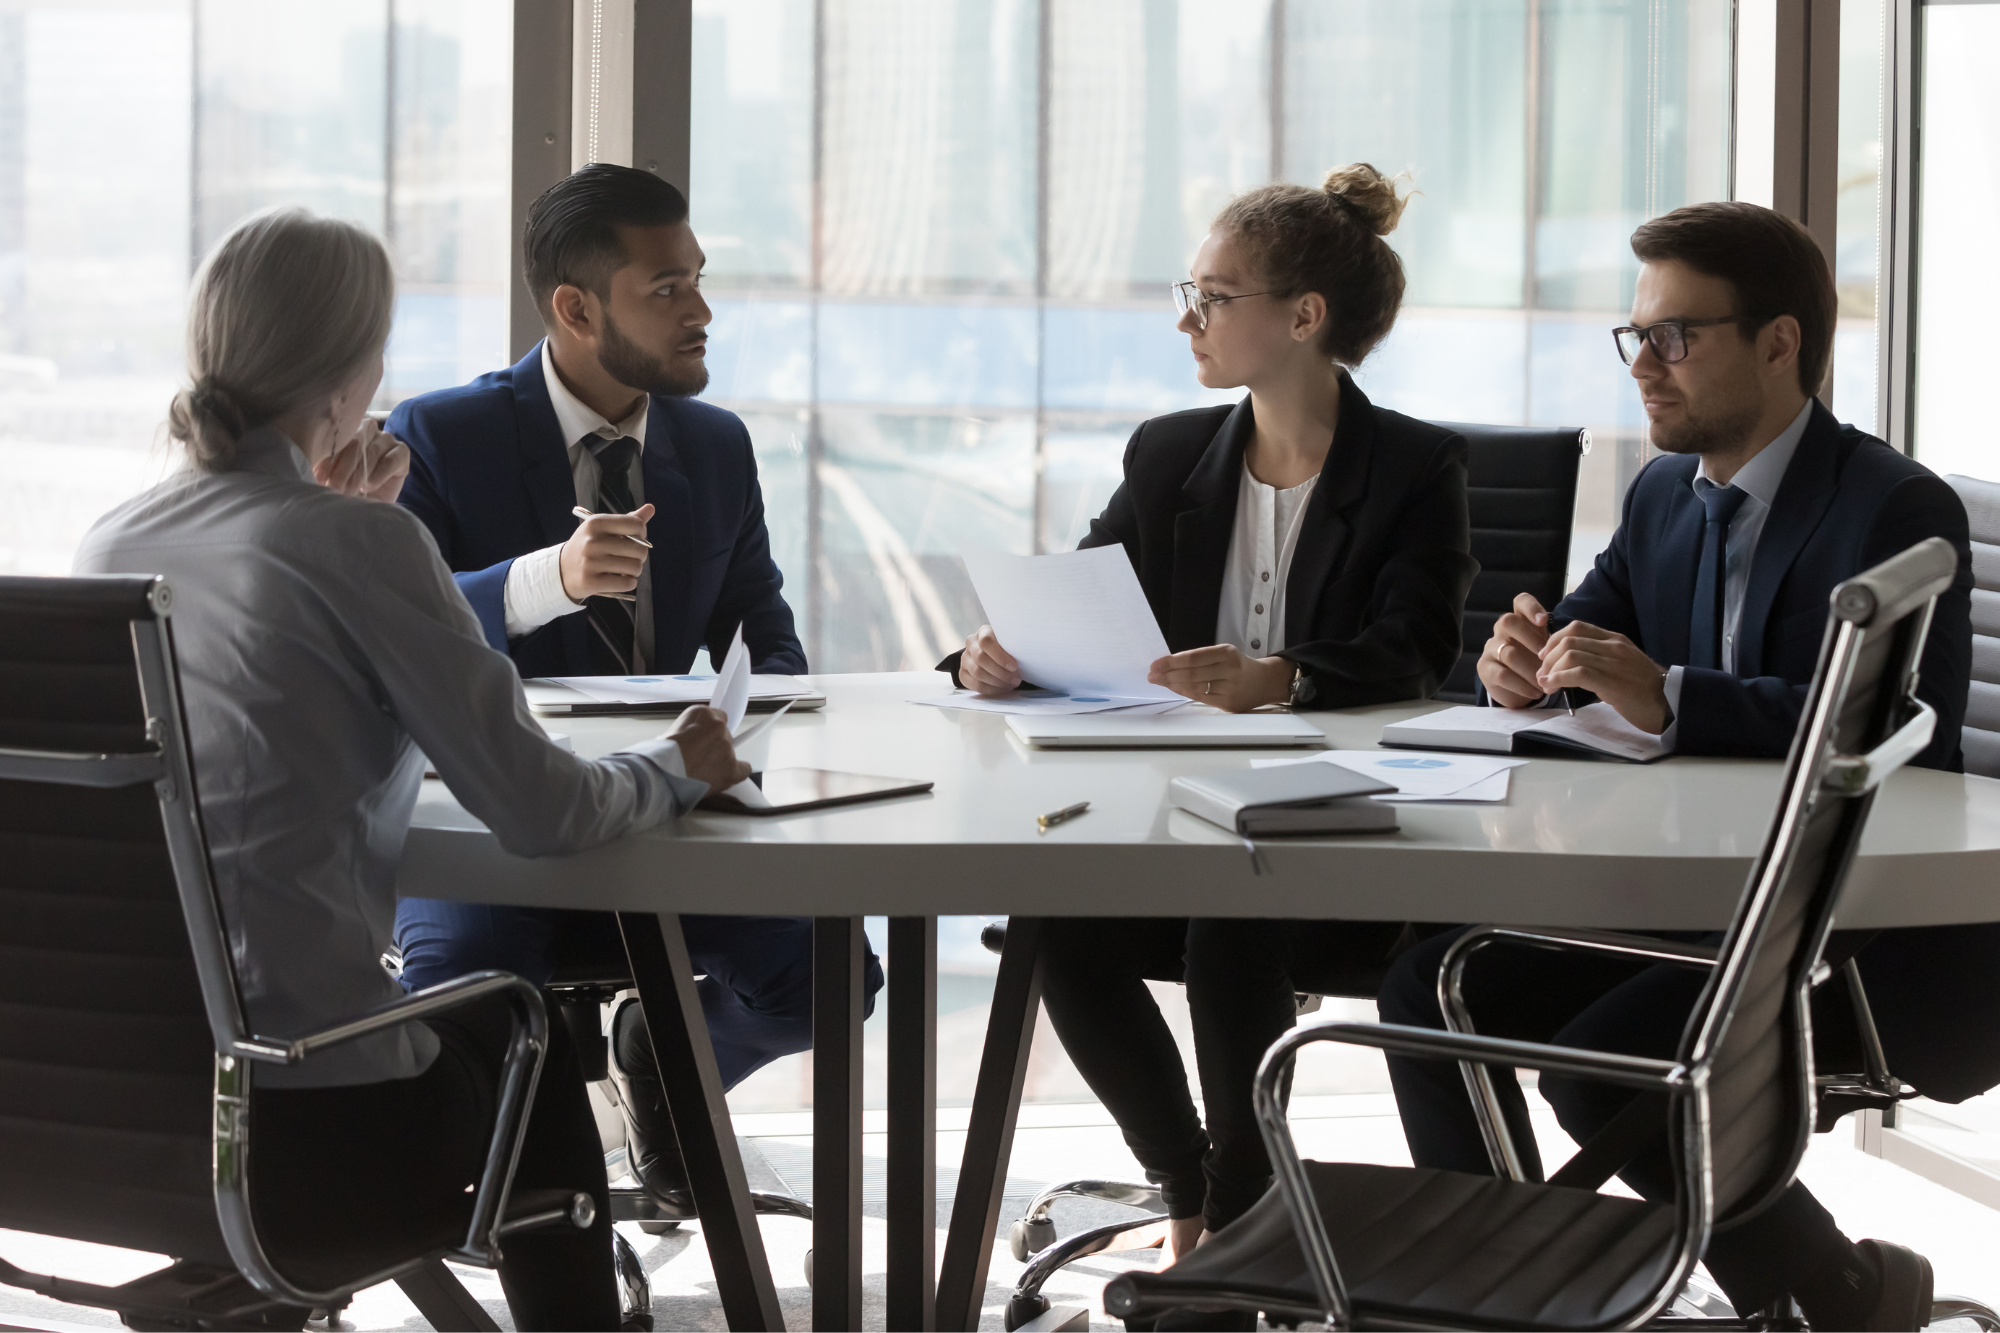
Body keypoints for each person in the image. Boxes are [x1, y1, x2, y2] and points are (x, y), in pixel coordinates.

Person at [73, 208, 748, 1330]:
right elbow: (541, 809)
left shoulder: (113, 542)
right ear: (353, 371)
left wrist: (347, 529)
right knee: (517, 1032)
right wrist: (675, 764)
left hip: (127, 1106)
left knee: (469, 1018)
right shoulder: (356, 544)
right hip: (308, 1115)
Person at [1378, 200, 1988, 1331]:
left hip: (1839, 927)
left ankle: (1809, 1288)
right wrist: (1522, 664)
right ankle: (1492, 1290)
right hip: (1685, 898)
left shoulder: (1893, 506)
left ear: (1776, 342)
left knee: (1600, 1060)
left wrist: (1667, 694)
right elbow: (1579, 636)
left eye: (1674, 337)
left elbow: (1900, 732)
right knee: (1426, 988)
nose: (1642, 368)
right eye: (1635, 338)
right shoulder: (1664, 489)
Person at [948, 165, 1476, 1269]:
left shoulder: (1415, 466)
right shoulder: (1169, 452)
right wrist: (991, 654)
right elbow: (1086, 598)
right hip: (1176, 809)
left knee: (1230, 923)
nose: (1187, 318)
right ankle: (1187, 1187)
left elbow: (1417, 646)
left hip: (1352, 839)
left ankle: (1235, 1227)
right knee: (1051, 921)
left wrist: (1276, 676)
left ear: (1301, 316)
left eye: (1211, 295)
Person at [387, 163, 880, 1209]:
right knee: (461, 1008)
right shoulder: (437, 436)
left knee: (835, 983)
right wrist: (542, 580)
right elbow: (397, 631)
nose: (701, 311)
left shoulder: (714, 443)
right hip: (500, 822)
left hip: (671, 807)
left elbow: (765, 634)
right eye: (667, 289)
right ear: (574, 308)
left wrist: (755, 731)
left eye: (697, 280)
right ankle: (523, 1216)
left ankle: (666, 1048)